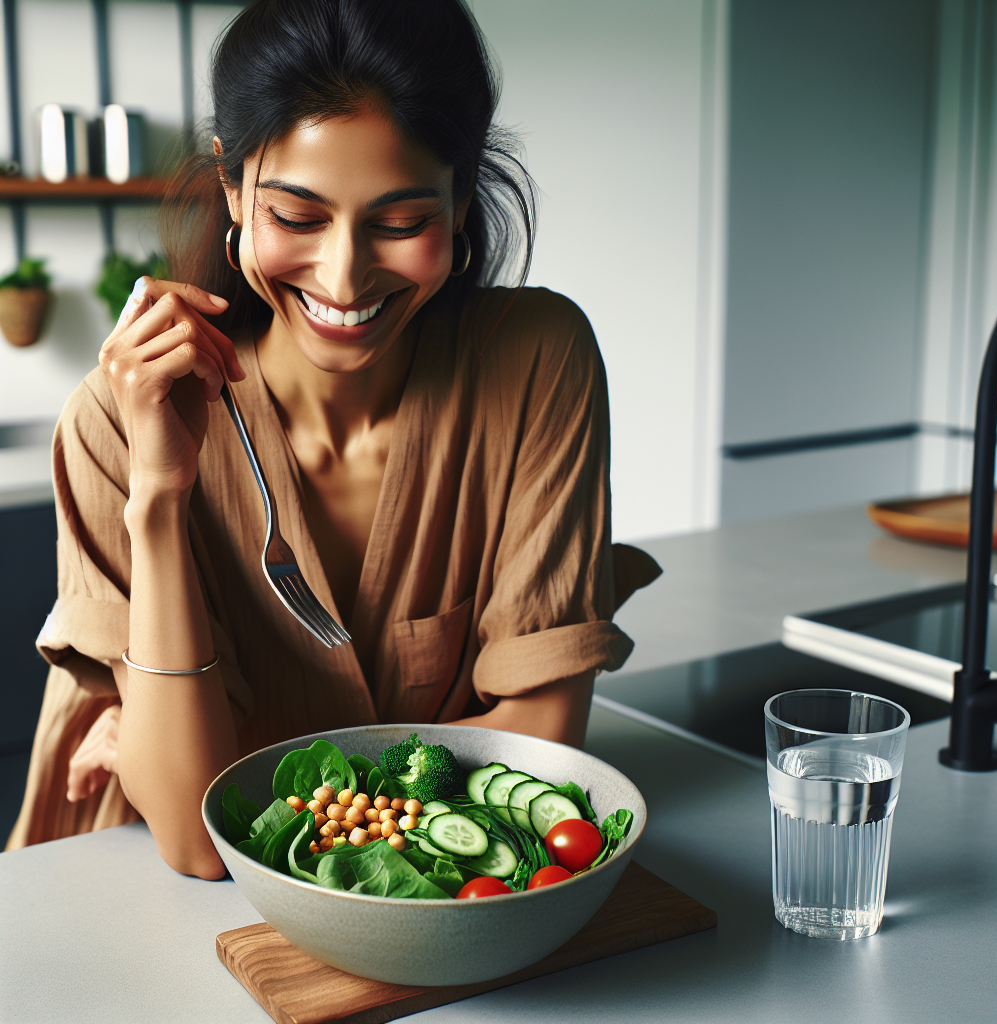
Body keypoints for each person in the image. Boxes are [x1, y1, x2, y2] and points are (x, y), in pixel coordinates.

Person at [7, 0, 659, 877]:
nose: (345, 277)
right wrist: (158, 501)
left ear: (462, 198)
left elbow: (542, 739)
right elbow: (200, 844)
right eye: (297, 216)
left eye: (399, 221)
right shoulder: (113, 419)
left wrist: (246, 756)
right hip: (137, 899)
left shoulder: (538, 361)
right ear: (232, 189)